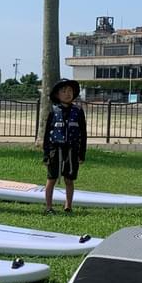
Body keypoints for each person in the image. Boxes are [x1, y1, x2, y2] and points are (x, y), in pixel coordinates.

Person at [42, 78, 87, 213]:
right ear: (57, 95)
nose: (67, 94)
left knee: (69, 179)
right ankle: (49, 207)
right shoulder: (53, 111)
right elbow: (46, 134)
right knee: (52, 178)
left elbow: (83, 134)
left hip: (72, 150)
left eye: (70, 91)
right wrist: (46, 154)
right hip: (55, 150)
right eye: (64, 91)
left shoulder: (78, 111)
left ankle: (68, 206)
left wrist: (82, 153)